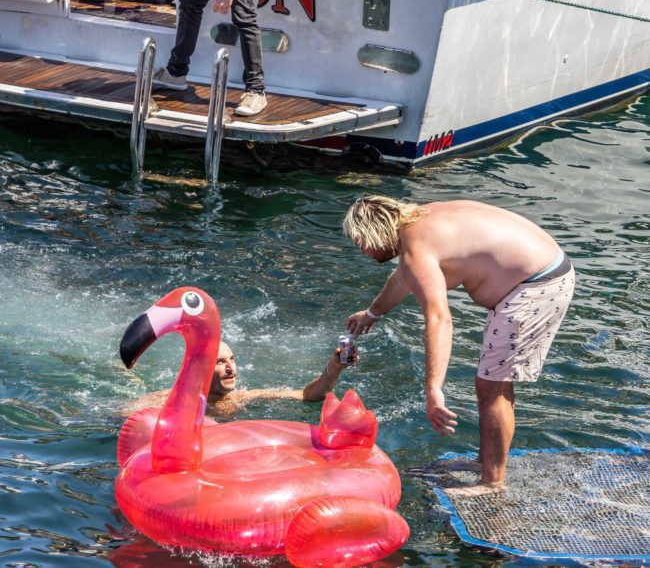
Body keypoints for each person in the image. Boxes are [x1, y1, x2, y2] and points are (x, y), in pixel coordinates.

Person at [344, 196, 575, 495]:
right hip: (545, 272)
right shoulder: (421, 221)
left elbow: (439, 318)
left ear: (376, 232)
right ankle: (485, 461)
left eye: (362, 241)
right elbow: (403, 278)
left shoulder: (417, 247)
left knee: (491, 387)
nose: (362, 250)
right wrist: (372, 313)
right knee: (492, 384)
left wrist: (433, 389)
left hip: (537, 286)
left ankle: (492, 482)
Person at [123, 340, 357, 418]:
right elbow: (125, 413)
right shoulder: (174, 398)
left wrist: (334, 367)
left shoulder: (243, 397)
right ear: (200, 370)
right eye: (220, 362)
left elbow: (308, 396)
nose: (230, 368)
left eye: (232, 360)